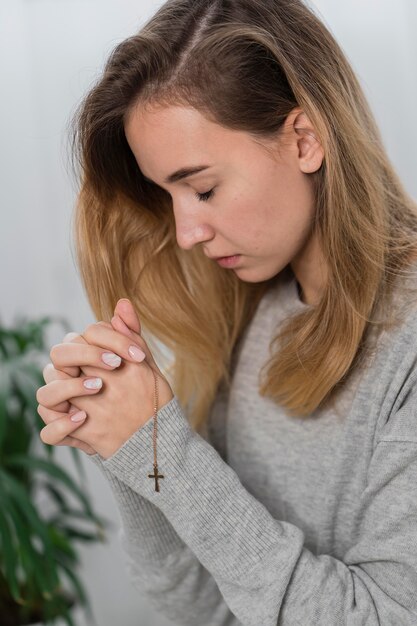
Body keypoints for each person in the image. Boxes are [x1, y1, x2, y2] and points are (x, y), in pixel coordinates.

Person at [36, 0, 417, 623]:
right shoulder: (248, 315)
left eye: (204, 188)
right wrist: (127, 446)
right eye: (169, 195)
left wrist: (162, 450)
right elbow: (202, 606)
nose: (186, 231)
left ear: (304, 139)